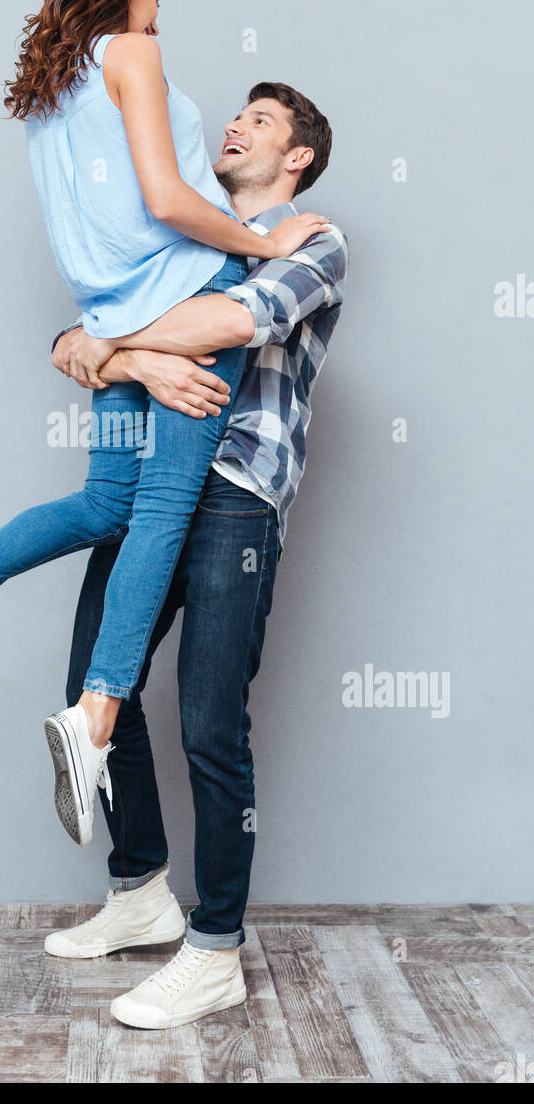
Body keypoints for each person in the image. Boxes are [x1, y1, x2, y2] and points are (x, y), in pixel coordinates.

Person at [0, 0, 327, 852]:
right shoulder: (135, 52)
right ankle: (98, 717)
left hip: (112, 314)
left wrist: (111, 343)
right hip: (190, 301)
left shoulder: (50, 85)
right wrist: (266, 245)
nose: (162, 9)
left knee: (107, 500)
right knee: (157, 512)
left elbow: (96, 233)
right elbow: (164, 196)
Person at [43, 81, 348, 1030]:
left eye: (260, 122)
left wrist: (110, 345)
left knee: (211, 721)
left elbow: (226, 326)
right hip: (148, 488)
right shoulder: (186, 230)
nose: (235, 127)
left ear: (296, 157)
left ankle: (215, 949)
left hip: (236, 498)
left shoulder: (315, 242)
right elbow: (68, 338)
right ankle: (139, 890)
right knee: (96, 686)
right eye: (237, 115)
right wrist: (103, 343)